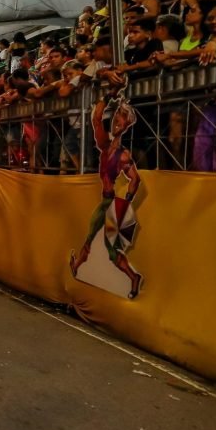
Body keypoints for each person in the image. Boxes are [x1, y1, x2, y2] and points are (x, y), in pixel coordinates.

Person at [69, 96, 143, 298]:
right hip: (105, 201)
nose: (118, 120)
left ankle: (133, 278)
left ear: (127, 124)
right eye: (118, 115)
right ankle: (76, 265)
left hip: (110, 203)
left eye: (123, 118)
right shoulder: (105, 145)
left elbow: (135, 179)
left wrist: (125, 204)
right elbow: (96, 120)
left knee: (110, 248)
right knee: (91, 233)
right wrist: (106, 97)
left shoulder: (122, 154)